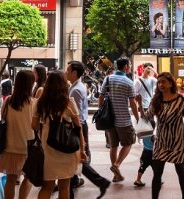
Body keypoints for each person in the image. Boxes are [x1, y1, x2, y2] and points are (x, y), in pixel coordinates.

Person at [32, 71, 87, 199]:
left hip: (48, 148)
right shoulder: (69, 102)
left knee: (47, 186)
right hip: (67, 149)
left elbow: (33, 125)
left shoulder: (40, 102)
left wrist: (44, 127)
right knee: (64, 186)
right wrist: (82, 149)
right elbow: (78, 128)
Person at [66, 61, 111, 198]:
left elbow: (76, 113)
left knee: (77, 157)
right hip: (78, 125)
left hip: (76, 126)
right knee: (75, 158)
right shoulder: (77, 86)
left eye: (68, 70)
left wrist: (77, 131)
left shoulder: (76, 90)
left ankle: (100, 182)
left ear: (74, 73)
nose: (66, 72)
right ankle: (74, 181)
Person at [147, 72, 184, 199]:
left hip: (177, 141)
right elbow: (147, 116)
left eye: (163, 82)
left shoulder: (179, 99)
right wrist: (139, 105)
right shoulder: (156, 100)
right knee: (157, 173)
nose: (160, 85)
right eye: (159, 82)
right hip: (161, 140)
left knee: (180, 171)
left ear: (170, 83)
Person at [0, 70, 36, 199]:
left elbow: (3, 118)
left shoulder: (8, 101)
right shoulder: (34, 103)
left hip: (10, 146)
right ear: (31, 84)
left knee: (11, 180)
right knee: (28, 178)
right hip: (28, 148)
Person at [99, 57, 140, 183]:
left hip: (110, 119)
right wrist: (138, 118)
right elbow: (132, 103)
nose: (131, 67)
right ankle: (116, 165)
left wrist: (101, 111)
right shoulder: (128, 82)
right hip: (124, 120)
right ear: (126, 66)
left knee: (113, 146)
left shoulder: (108, 78)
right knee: (128, 143)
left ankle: (116, 175)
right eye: (130, 65)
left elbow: (101, 97)